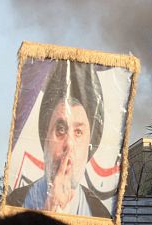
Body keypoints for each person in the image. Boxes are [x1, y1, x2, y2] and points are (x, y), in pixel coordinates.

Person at [6, 60, 111, 218]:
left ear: (90, 145)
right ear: (45, 137)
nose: (69, 144)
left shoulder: (101, 215)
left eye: (78, 132)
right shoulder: (14, 203)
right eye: (60, 130)